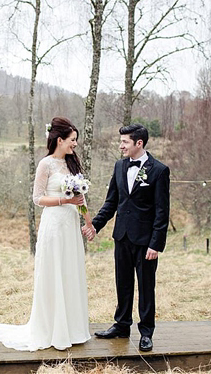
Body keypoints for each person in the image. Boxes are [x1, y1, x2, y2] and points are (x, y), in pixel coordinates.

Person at [0, 117, 92, 351]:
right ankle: (52, 330)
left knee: (70, 272)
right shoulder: (46, 164)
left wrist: (89, 222)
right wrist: (63, 200)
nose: (75, 144)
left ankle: (73, 329)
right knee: (54, 273)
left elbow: (81, 198)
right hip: (54, 226)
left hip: (70, 227)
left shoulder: (72, 164)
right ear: (60, 140)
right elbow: (37, 199)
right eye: (72, 140)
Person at [82, 123, 170, 352]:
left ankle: (146, 333)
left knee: (146, 287)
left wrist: (156, 244)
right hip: (121, 236)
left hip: (145, 241)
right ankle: (121, 325)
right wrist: (95, 226)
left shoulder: (159, 170)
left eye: (124, 142)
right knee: (123, 283)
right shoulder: (119, 166)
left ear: (138, 143)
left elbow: (162, 211)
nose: (120, 146)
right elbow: (112, 202)